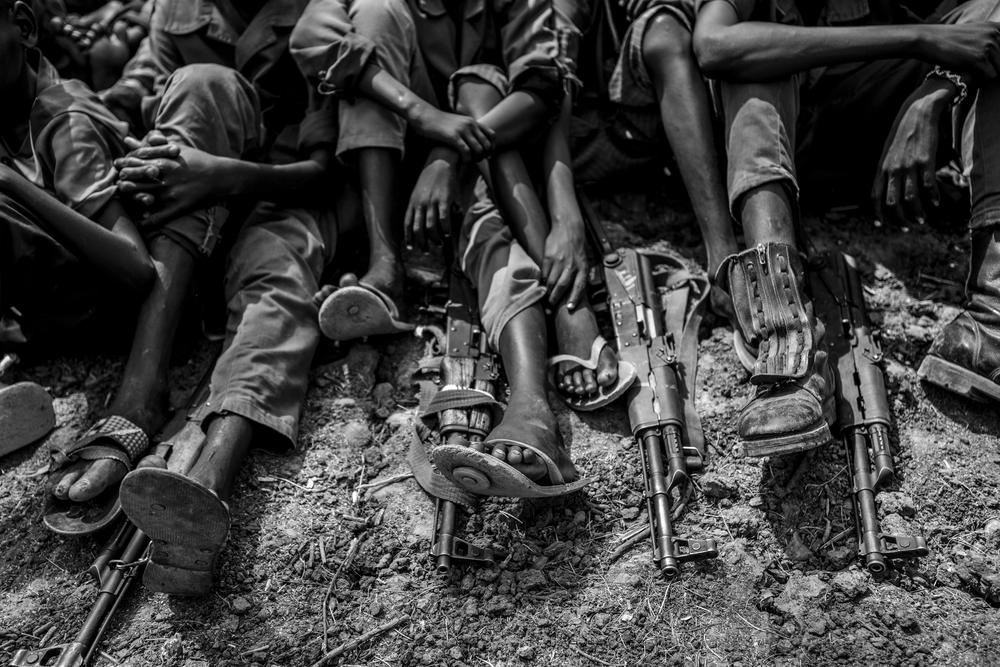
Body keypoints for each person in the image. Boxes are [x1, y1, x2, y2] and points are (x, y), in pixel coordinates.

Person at [45, 0, 355, 596]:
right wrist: (130, 151)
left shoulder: (323, 12)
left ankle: (211, 475)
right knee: (200, 85)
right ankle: (140, 392)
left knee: (277, 282)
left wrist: (222, 174)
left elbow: (327, 168)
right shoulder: (177, 9)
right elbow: (130, 94)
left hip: (278, 199)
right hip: (180, 223)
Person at [691, 0, 1000, 457]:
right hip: (776, 147)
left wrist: (937, 88)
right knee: (756, 59)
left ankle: (991, 322)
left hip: (872, 135)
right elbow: (715, 45)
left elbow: (982, 21)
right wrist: (919, 38)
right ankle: (785, 341)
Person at [290, 0, 496, 342]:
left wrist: (445, 155)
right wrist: (420, 112)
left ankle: (391, 268)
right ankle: (384, 268)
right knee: (375, 16)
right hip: (391, 148)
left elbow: (526, 82)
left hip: (480, 149)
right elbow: (310, 34)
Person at [0, 0, 153, 349]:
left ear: (23, 27)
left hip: (113, 301)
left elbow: (137, 269)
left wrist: (12, 184)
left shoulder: (67, 123)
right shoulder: (9, 112)